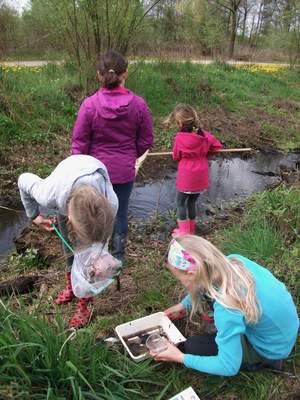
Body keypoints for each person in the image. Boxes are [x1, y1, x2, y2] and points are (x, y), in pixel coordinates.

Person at [150, 235, 299, 376]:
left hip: (272, 348)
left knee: (194, 347)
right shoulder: (234, 261)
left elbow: (228, 366)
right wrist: (183, 305)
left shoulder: (227, 305)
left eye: (180, 279)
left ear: (191, 274)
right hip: (285, 330)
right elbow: (204, 282)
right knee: (208, 292)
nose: (182, 284)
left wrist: (180, 357)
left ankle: (269, 362)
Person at [71, 50, 154, 264]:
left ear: (99, 75)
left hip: (94, 174)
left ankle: (92, 258)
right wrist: (130, 155)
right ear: (125, 74)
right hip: (124, 172)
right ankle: (116, 260)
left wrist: (77, 172)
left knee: (92, 215)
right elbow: (146, 140)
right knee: (120, 214)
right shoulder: (139, 105)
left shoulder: (89, 105)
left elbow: (79, 145)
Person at [18, 154, 119, 328]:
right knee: (68, 245)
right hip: (67, 177)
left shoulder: (111, 204)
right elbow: (23, 179)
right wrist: (34, 215)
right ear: (69, 216)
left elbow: (102, 241)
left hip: (95, 170)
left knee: (89, 257)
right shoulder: (49, 194)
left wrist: (98, 258)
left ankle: (84, 305)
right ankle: (71, 287)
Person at [164, 104, 222, 236]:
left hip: (187, 175)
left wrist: (189, 157)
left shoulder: (180, 138)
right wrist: (203, 155)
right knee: (192, 202)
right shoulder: (205, 135)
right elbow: (217, 147)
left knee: (180, 203)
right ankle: (190, 231)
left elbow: (176, 156)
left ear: (179, 123)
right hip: (201, 175)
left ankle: (184, 233)